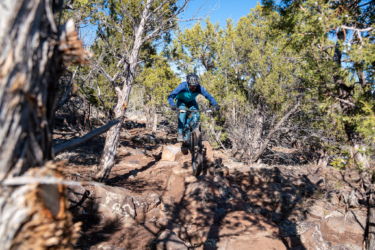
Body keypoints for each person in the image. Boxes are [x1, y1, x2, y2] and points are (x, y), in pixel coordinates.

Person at [168, 73, 219, 142]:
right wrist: (172, 105)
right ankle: (180, 132)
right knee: (183, 112)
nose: (193, 88)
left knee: (197, 114)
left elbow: (208, 96)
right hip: (180, 100)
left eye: (195, 86)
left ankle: (190, 132)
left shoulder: (199, 88)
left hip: (191, 101)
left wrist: (215, 104)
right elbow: (171, 96)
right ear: (188, 84)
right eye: (192, 86)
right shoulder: (182, 86)